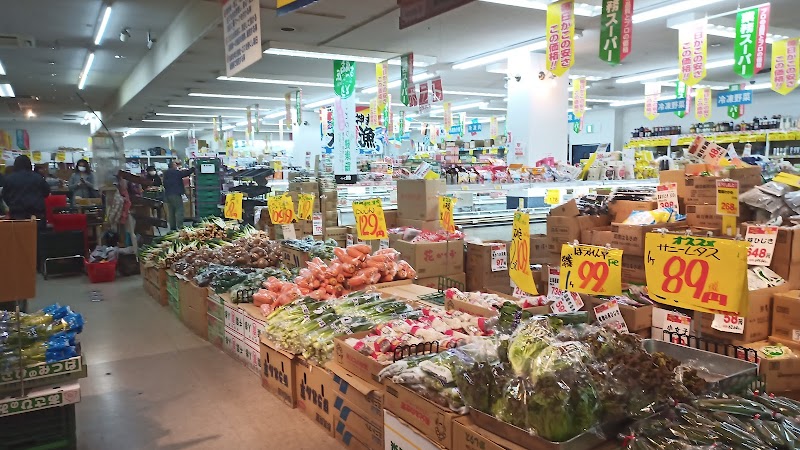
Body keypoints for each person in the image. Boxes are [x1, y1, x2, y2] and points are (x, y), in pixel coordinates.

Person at [1, 155, 50, 223]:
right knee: (36, 233)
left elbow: (4, 195)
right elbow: (46, 192)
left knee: (18, 233)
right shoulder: (38, 177)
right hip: (36, 214)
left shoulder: (9, 179)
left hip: (17, 215)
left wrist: (13, 203)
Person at [163, 161, 194, 230]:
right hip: (175, 194)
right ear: (173, 166)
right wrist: (192, 169)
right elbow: (184, 173)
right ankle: (180, 227)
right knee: (179, 210)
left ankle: (172, 227)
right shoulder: (175, 172)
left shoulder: (166, 173)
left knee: (171, 211)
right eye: (175, 165)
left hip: (168, 194)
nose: (176, 166)